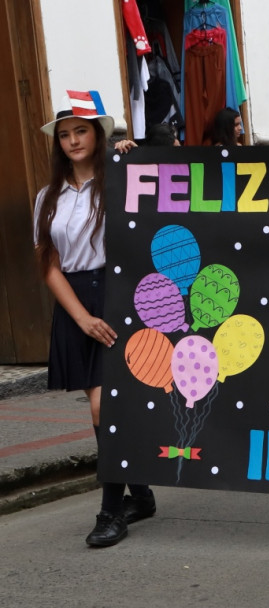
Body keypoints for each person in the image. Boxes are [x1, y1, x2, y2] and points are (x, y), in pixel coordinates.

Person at [33, 91, 157, 547]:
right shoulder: (47, 197)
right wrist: (82, 318)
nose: (72, 141)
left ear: (99, 134)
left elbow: (158, 209)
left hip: (119, 295)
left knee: (107, 407)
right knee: (105, 406)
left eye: (81, 131)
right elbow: (49, 266)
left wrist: (136, 162)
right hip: (76, 304)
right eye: (64, 134)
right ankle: (139, 493)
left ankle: (111, 512)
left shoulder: (121, 179)